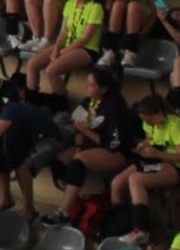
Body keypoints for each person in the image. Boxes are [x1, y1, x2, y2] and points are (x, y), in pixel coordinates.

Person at [43, 68, 139, 227]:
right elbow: (77, 127)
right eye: (87, 83)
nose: (86, 87)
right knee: (59, 160)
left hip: (116, 152)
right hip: (90, 145)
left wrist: (86, 132)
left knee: (77, 162)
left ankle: (63, 213)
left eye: (91, 85)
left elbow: (112, 143)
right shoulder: (88, 101)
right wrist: (79, 145)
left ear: (103, 89)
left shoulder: (114, 107)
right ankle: (73, 204)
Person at [111, 94, 180, 246]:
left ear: (160, 113)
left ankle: (141, 230)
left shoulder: (175, 125)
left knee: (136, 179)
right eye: (145, 121)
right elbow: (150, 139)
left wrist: (158, 154)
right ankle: (120, 227)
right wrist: (144, 145)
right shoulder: (148, 123)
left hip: (174, 165)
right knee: (117, 183)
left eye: (150, 120)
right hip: (153, 159)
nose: (148, 124)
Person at [0, 90, 58, 220]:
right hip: (31, 140)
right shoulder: (5, 112)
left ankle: (29, 209)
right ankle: (5, 200)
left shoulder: (10, 111)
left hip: (49, 140)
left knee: (23, 165)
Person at [26, 0, 106, 96]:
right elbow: (64, 31)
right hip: (67, 45)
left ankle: (60, 102)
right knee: (32, 64)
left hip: (86, 49)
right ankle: (31, 98)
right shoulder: (70, 4)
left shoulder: (95, 8)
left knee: (52, 70)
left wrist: (61, 53)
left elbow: (85, 39)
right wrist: (56, 49)